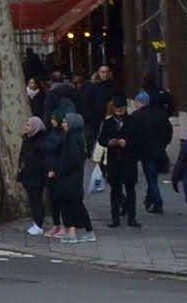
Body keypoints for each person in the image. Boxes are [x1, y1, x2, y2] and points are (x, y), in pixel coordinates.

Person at [40, 108, 92, 241]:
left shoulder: (72, 139)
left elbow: (72, 160)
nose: (63, 124)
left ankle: (74, 230)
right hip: (71, 177)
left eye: (65, 122)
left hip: (69, 178)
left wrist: (58, 171)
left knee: (71, 203)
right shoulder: (74, 137)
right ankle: (79, 230)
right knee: (74, 203)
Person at [128, 91, 172, 216]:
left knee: (151, 178)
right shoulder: (161, 114)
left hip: (146, 152)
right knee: (152, 177)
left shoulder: (136, 116)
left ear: (139, 102)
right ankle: (150, 199)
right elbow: (169, 131)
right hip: (160, 150)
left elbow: (133, 135)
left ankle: (157, 202)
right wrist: (164, 144)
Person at [97, 100, 138, 230]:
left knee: (130, 189)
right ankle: (115, 218)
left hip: (129, 159)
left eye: (122, 109)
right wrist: (109, 142)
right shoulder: (108, 122)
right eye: (117, 109)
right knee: (115, 189)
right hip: (114, 160)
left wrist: (127, 142)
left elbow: (139, 139)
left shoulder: (132, 121)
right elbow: (101, 139)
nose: (119, 111)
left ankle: (132, 217)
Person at [15, 117, 50, 237]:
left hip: (36, 176)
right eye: (26, 124)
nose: (26, 127)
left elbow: (41, 160)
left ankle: (38, 223)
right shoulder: (27, 139)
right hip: (27, 174)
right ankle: (36, 221)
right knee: (32, 199)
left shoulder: (40, 142)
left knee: (36, 199)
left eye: (29, 125)